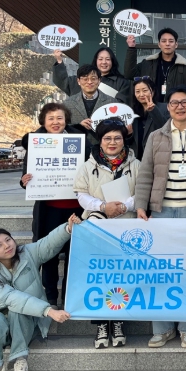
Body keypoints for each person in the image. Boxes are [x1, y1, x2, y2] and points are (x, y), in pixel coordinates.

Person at [133, 85, 186, 349]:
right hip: (161, 212)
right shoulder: (156, 136)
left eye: (185, 102)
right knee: (160, 272)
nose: (179, 107)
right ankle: (162, 328)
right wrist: (141, 205)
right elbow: (145, 173)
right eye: (174, 103)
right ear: (167, 107)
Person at [0, 214, 81, 371]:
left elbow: (47, 245)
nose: (7, 246)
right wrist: (48, 310)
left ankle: (19, 360)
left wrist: (67, 229)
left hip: (27, 324)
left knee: (18, 313)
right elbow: (11, 298)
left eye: (8, 240)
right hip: (0, 330)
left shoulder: (26, 253)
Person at [73, 119, 140, 350]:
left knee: (121, 276)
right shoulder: (87, 166)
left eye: (117, 138)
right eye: (107, 138)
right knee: (99, 276)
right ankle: (101, 324)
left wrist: (124, 206)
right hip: (97, 228)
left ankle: (118, 321)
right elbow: (81, 194)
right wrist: (102, 207)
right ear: (100, 141)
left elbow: (143, 192)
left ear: (124, 140)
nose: (112, 142)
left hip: (126, 228)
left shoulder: (136, 164)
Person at [20, 103, 86, 307]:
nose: (55, 122)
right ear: (43, 121)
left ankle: (68, 296)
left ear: (66, 120)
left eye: (59, 118)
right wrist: (24, 181)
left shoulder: (80, 140)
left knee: (75, 253)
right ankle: (50, 295)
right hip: (49, 209)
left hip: (76, 207)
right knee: (49, 252)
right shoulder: (35, 143)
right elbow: (26, 174)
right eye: (51, 118)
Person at [125, 29, 186, 103]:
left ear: (176, 44)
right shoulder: (147, 63)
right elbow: (130, 74)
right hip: (151, 107)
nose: (167, 44)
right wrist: (131, 48)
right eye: (164, 41)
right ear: (159, 44)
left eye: (171, 41)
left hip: (175, 108)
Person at [63, 65, 118, 148]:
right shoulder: (68, 103)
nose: (89, 82)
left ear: (99, 80)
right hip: (76, 148)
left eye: (93, 78)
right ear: (78, 81)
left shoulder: (112, 102)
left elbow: (118, 128)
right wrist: (78, 126)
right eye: (85, 79)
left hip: (104, 148)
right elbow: (62, 128)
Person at [52, 47, 131, 103]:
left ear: (112, 61)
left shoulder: (122, 83)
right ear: (95, 61)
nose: (104, 62)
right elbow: (62, 81)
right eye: (100, 59)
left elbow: (121, 105)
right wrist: (59, 60)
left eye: (107, 59)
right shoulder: (81, 80)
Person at [130, 77, 169, 161]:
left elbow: (167, 129)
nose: (141, 94)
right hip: (136, 159)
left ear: (153, 91)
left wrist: (153, 111)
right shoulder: (131, 112)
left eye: (145, 90)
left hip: (158, 156)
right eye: (137, 91)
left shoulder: (165, 108)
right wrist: (129, 135)